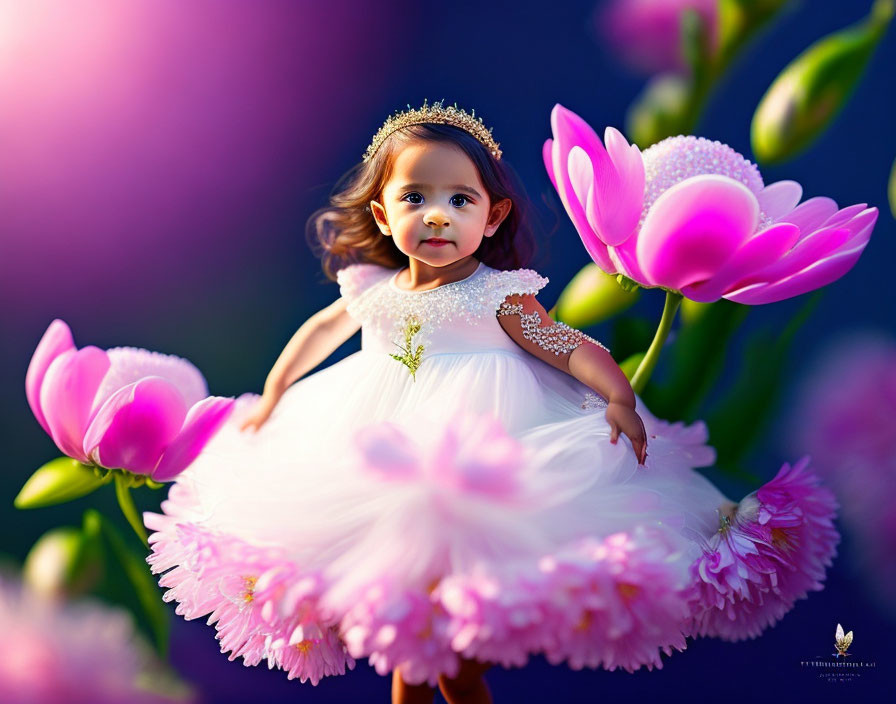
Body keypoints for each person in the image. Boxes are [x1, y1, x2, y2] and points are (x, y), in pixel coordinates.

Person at [144, 101, 834, 704]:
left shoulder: (496, 296)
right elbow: (321, 331)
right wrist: (272, 394)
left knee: (454, 655)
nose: (436, 215)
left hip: (484, 466)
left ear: (492, 214)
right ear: (383, 214)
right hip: (372, 453)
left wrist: (619, 396)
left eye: (459, 201)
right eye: (414, 198)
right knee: (411, 636)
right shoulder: (373, 291)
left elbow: (563, 344)